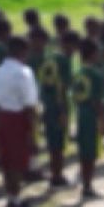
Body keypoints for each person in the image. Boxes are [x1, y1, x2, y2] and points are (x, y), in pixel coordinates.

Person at [0, 35, 38, 207]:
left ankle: (11, 197)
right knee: (18, 161)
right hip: (19, 118)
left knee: (6, 159)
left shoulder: (0, 70)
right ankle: (16, 200)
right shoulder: (24, 72)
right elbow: (30, 104)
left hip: (3, 116)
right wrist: (33, 132)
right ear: (22, 51)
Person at [38, 28, 78, 187]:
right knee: (58, 143)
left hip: (47, 104)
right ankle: (57, 175)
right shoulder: (64, 61)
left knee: (52, 141)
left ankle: (56, 172)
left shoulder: (49, 57)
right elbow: (61, 88)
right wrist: (62, 111)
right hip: (58, 106)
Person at [73, 38, 104, 200]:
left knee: (84, 151)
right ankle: (88, 186)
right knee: (90, 153)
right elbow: (97, 101)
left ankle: (86, 183)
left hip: (80, 114)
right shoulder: (96, 74)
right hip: (91, 117)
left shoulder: (78, 72)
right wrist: (102, 121)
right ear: (93, 54)